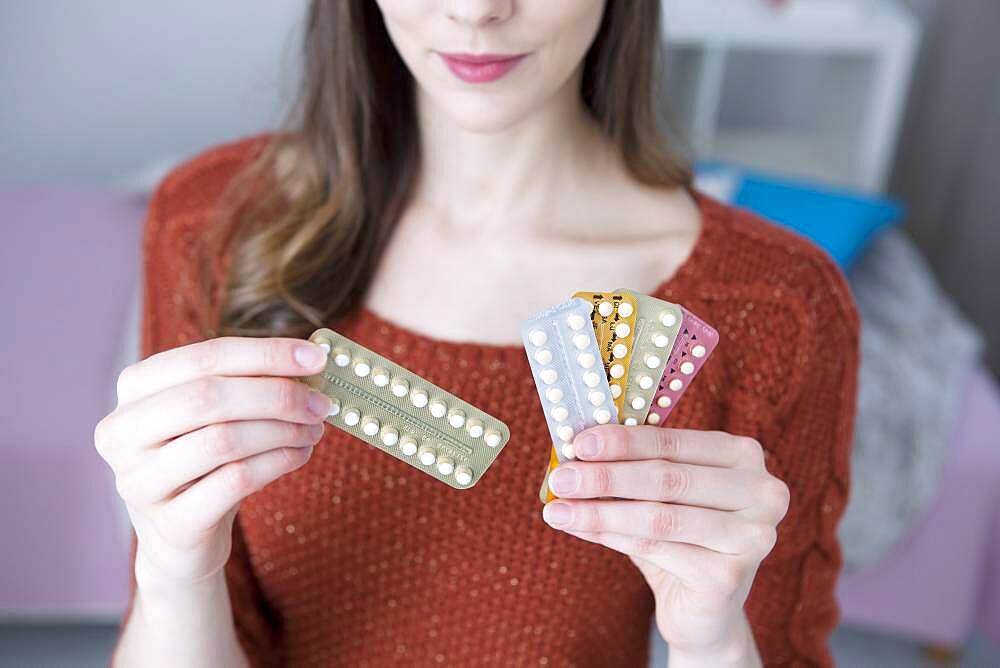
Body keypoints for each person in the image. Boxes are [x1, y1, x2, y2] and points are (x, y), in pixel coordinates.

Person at [95, 2, 858, 666]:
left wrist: (712, 643)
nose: (475, 9)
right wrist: (171, 569)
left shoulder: (777, 305)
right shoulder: (212, 222)